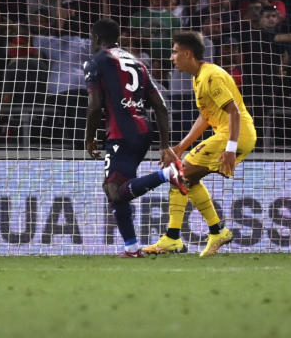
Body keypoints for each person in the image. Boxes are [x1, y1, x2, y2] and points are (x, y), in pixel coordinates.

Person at [144, 31, 257, 256]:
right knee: (186, 178)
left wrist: (230, 150)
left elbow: (233, 111)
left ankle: (174, 238)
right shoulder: (199, 77)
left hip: (234, 134)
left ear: (188, 54)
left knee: (179, 173)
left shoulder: (211, 76)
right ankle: (215, 231)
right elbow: (206, 117)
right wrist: (179, 148)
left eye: (174, 52)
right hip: (232, 134)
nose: (171, 57)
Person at [84, 18, 186, 257]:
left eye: (91, 39)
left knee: (114, 190)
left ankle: (167, 174)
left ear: (97, 39)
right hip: (143, 131)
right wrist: (164, 144)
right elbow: (160, 106)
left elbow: (94, 105)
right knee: (117, 189)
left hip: (121, 132)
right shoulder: (137, 62)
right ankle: (131, 248)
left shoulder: (95, 62)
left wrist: (90, 138)